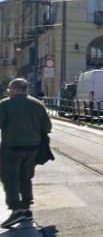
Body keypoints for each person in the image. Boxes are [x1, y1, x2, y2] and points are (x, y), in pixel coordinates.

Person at [0, 78, 52, 229]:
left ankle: (16, 209)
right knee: (25, 177)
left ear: (14, 89)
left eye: (10, 90)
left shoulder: (5, 104)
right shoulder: (37, 104)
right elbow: (47, 127)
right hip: (33, 149)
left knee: (9, 179)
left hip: (11, 148)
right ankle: (27, 208)